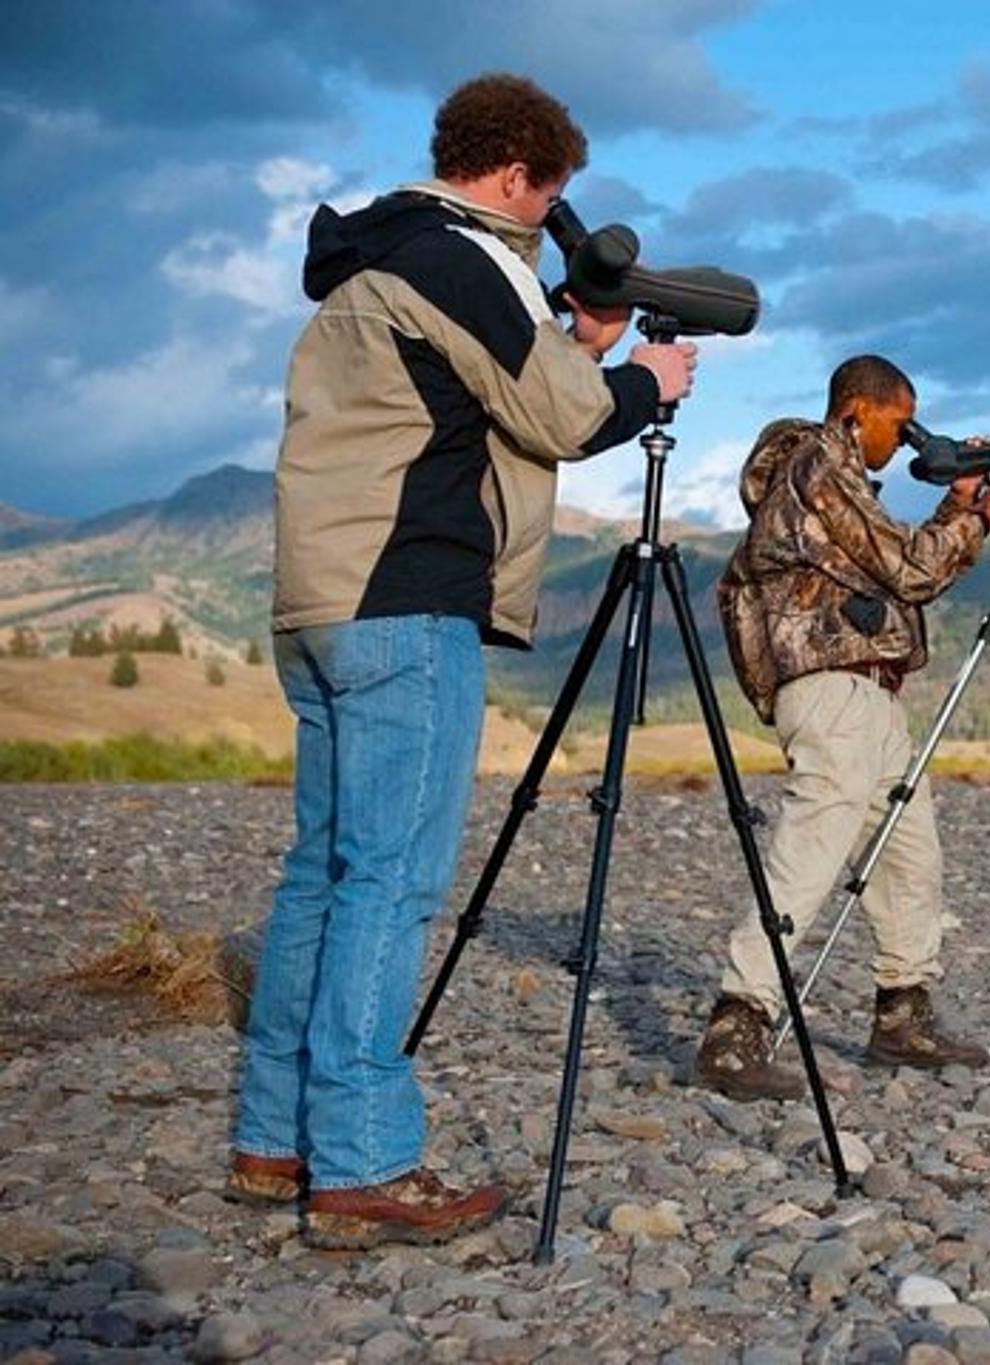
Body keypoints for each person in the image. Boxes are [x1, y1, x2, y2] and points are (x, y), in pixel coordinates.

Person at [228, 73, 698, 1250]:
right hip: (407, 599)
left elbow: (479, 385)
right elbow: (561, 421)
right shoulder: (462, 256)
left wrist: (572, 338)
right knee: (389, 884)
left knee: (321, 878)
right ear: (512, 178)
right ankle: (365, 1163)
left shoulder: (373, 261)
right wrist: (643, 380)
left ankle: (271, 1138)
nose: (550, 224)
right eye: (549, 200)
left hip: (317, 603)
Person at [693, 355, 990, 1100]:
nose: (903, 439)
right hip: (828, 684)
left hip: (871, 688)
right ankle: (737, 1022)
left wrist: (956, 512)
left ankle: (902, 1012)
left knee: (910, 851)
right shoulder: (818, 462)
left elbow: (894, 563)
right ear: (858, 408)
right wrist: (975, 517)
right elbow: (908, 570)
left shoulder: (841, 480)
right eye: (898, 422)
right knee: (813, 845)